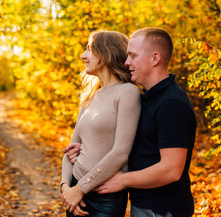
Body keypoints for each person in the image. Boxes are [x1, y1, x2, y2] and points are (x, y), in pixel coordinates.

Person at [64, 27, 197, 217]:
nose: (127, 62)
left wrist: (124, 180)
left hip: (164, 209)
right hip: (142, 203)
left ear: (155, 58)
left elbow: (171, 170)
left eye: (133, 56)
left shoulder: (172, 104)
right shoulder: (147, 98)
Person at [60, 30, 141, 217]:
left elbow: (120, 153)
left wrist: (81, 188)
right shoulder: (90, 95)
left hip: (105, 198)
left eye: (89, 49)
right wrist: (65, 186)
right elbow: (70, 150)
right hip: (75, 194)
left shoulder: (127, 92)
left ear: (106, 53)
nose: (83, 56)